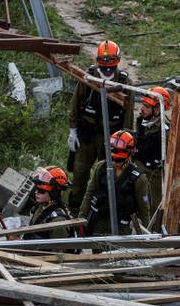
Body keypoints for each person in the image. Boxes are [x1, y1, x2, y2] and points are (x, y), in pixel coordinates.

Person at [67, 40, 133, 211]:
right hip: (87, 134)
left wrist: (126, 140)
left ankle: (104, 207)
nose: (107, 70)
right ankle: (75, 207)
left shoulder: (125, 82)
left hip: (112, 137)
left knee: (108, 173)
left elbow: (128, 114)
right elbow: (75, 104)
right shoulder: (87, 77)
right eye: (104, 66)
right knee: (80, 171)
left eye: (110, 66)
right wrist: (72, 130)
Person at [79, 130, 150, 235]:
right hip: (99, 224)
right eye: (112, 158)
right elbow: (89, 194)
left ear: (129, 155)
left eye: (119, 160)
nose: (114, 163)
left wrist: (146, 233)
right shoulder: (100, 168)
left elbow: (144, 209)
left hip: (123, 228)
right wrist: (81, 218)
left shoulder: (138, 178)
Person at [134, 87, 172, 213]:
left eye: (146, 106)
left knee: (154, 208)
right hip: (139, 168)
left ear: (157, 109)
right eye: (142, 104)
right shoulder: (141, 121)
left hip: (155, 175)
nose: (141, 109)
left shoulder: (166, 131)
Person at [24, 166, 74, 240]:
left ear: (54, 192)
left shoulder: (58, 222)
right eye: (36, 189)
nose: (36, 193)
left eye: (41, 190)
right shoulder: (43, 205)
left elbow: (57, 250)